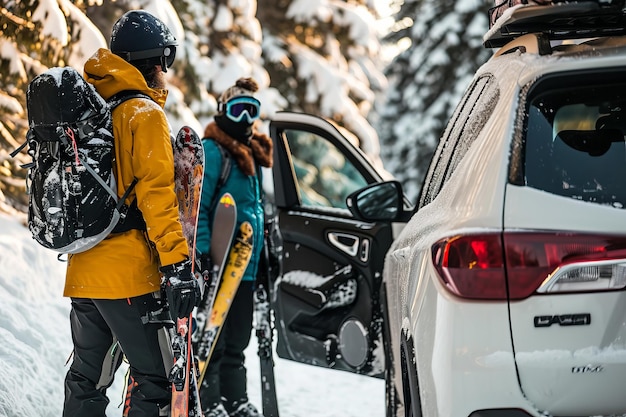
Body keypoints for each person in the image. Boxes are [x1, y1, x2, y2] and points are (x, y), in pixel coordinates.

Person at [62, 10, 200, 417]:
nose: (166, 72)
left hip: (84, 270)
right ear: (154, 62)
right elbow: (157, 199)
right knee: (156, 381)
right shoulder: (144, 114)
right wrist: (177, 266)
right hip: (128, 279)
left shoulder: (92, 108)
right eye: (165, 62)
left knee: (86, 380)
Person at [196, 77, 273, 417]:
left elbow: (254, 210)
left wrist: (265, 255)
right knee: (214, 338)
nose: (244, 119)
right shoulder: (213, 152)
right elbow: (197, 207)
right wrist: (200, 252)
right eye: (237, 110)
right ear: (222, 111)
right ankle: (209, 400)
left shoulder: (251, 155)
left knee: (238, 340)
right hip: (219, 263)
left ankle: (235, 400)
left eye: (251, 111)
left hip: (246, 265)